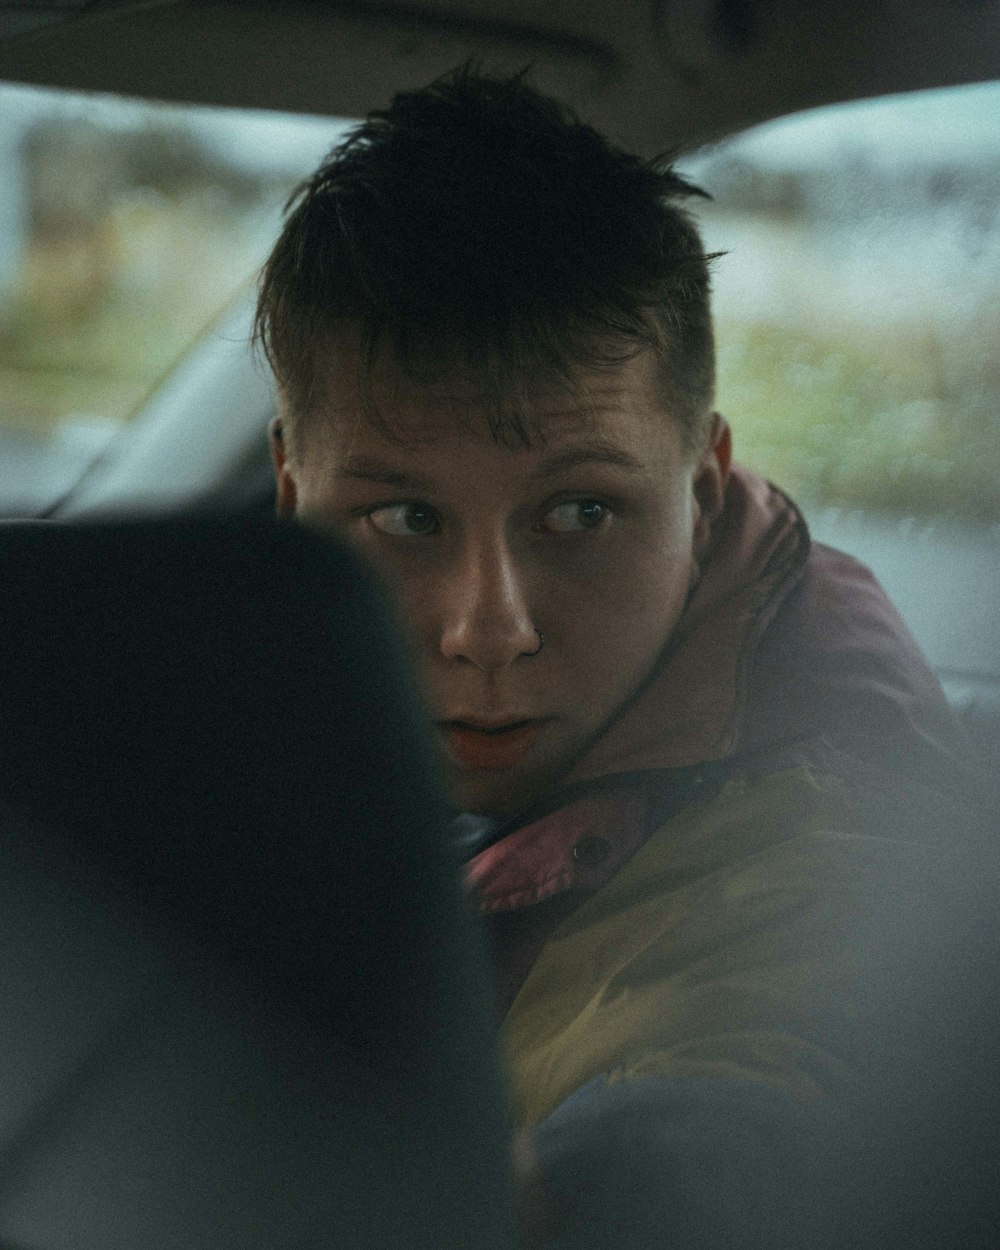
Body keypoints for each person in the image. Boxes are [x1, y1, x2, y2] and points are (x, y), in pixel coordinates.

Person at [255, 66, 991, 1248]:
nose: (486, 628)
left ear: (700, 491)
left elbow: (764, 1053)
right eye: (404, 520)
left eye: (580, 514)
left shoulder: (820, 827)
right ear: (291, 491)